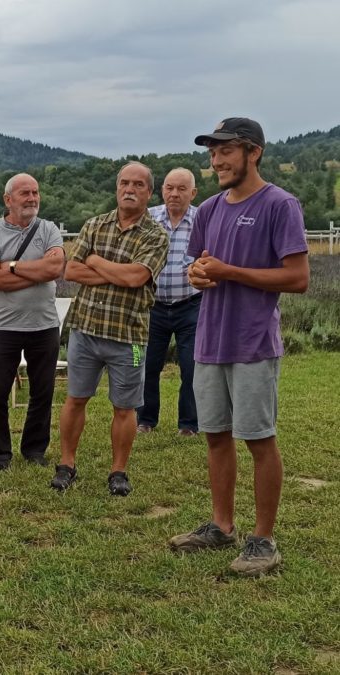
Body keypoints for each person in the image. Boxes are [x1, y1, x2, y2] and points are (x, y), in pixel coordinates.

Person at [168, 118, 309, 577]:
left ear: (253, 152)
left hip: (253, 343)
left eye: (224, 151)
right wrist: (199, 274)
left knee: (259, 439)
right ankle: (221, 525)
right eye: (212, 153)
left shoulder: (279, 205)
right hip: (210, 340)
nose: (215, 161)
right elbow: (199, 268)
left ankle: (264, 541)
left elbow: (297, 278)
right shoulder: (208, 209)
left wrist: (230, 271)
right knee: (215, 436)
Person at [54, 162, 169, 496]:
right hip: (85, 329)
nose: (129, 189)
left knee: (125, 406)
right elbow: (71, 272)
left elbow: (137, 278)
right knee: (76, 399)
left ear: (149, 191)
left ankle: (118, 471)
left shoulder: (156, 235)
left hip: (128, 335)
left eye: (137, 184)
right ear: (117, 188)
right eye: (124, 183)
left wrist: (96, 262)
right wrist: (118, 273)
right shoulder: (94, 225)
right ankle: (67, 464)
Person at [0, 173, 65, 470]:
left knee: (43, 392)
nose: (31, 198)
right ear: (8, 199)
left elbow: (54, 268)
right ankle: (0, 455)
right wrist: (35, 273)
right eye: (24, 193)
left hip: (44, 325)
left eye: (35, 192)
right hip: (1, 327)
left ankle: (34, 450)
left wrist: (12, 268)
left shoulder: (49, 229)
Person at [137, 168, 201, 436]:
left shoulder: (202, 220)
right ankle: (146, 420)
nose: (174, 194)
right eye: (169, 188)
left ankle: (188, 424)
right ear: (162, 190)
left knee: (192, 366)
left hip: (192, 304)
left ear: (193, 193)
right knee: (148, 365)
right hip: (154, 305)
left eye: (181, 189)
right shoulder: (149, 218)